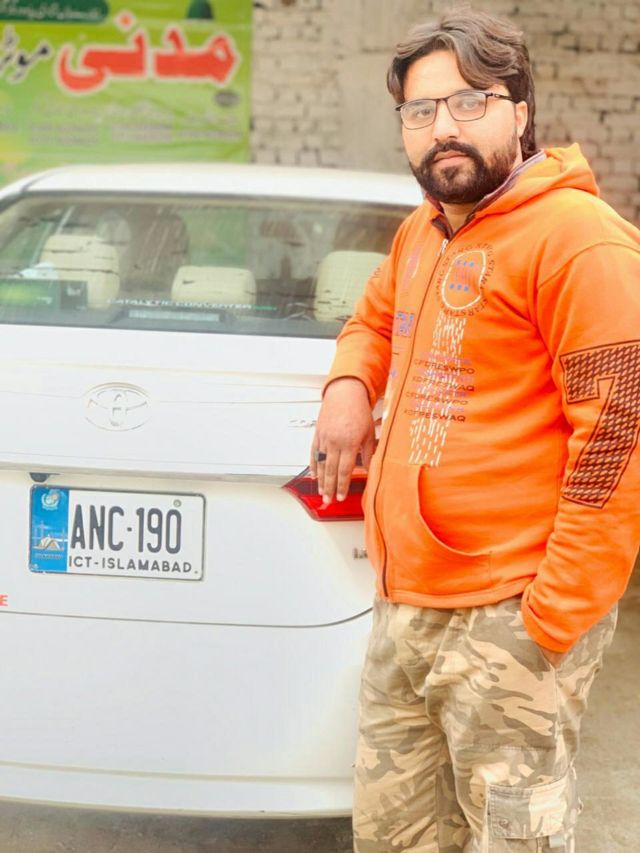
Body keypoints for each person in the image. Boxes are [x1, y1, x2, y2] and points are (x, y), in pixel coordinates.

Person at [309, 7, 640, 852]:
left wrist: (548, 622)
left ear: (520, 110)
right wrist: (348, 386)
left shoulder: (578, 241)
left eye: (468, 102)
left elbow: (618, 438)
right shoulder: (425, 229)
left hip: (510, 613)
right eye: (420, 111)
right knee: (396, 836)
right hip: (406, 606)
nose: (442, 129)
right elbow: (372, 317)